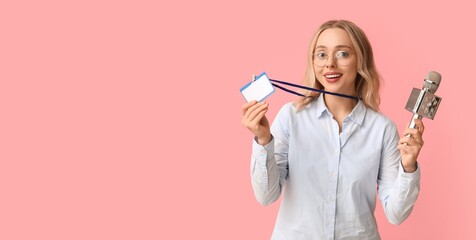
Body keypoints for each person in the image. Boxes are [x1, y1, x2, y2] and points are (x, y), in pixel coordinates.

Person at [241, 20, 424, 239]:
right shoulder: (291, 117)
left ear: (360, 61)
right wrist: (263, 141)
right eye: (321, 54)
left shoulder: (382, 129)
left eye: (343, 54)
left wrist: (408, 166)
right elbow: (266, 196)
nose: (330, 64)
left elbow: (396, 214)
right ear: (313, 62)